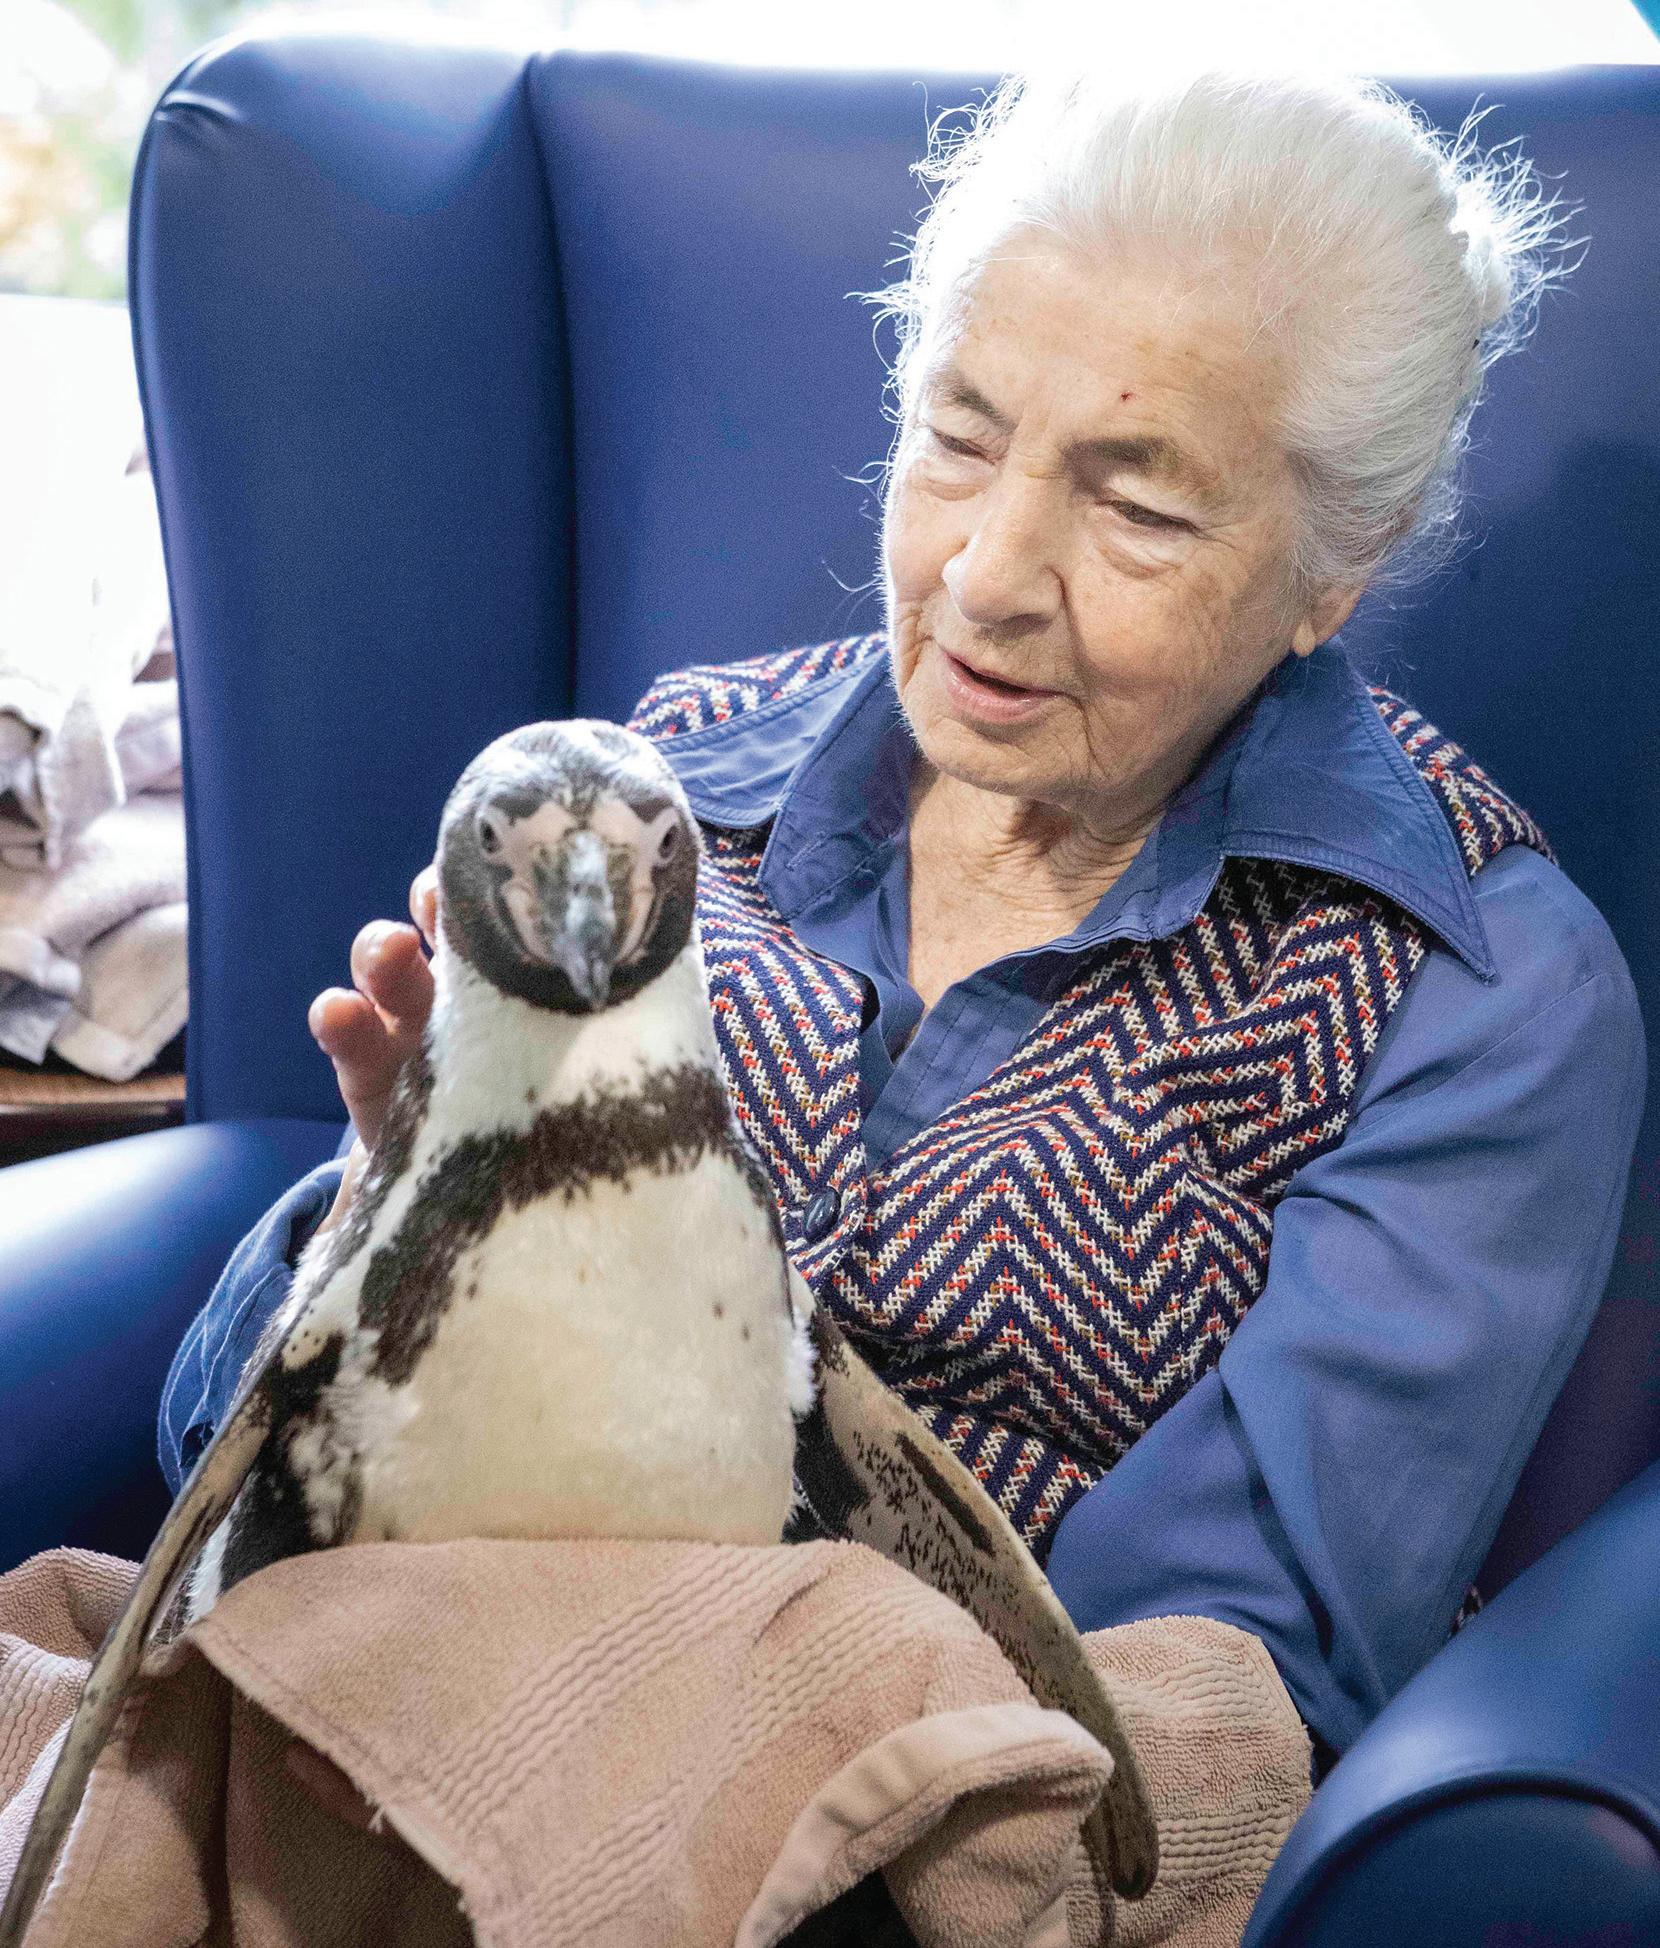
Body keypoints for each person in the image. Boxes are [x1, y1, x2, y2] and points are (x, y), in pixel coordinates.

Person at [159, 60, 1642, 1884]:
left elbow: (1216, 1673)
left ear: (1339, 567)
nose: (987, 576)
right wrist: (400, 1211)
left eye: (1139, 510)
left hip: (923, 1844)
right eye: (957, 436)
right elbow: (214, 1456)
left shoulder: (1472, 994)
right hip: (371, 1713)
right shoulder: (658, 796)